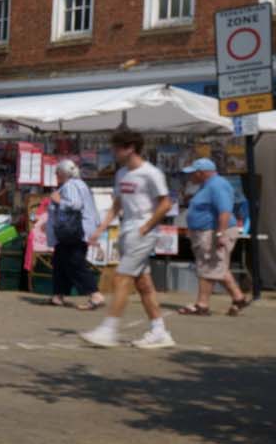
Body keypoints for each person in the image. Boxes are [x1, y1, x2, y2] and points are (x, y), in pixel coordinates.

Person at [81, 128, 174, 349]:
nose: (113, 151)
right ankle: (159, 331)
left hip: (142, 231)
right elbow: (117, 204)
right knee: (144, 284)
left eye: (116, 147)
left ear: (130, 148)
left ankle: (108, 330)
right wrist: (100, 229)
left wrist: (146, 227)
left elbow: (165, 204)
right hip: (128, 230)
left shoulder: (151, 173)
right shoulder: (121, 174)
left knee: (121, 278)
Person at [176, 156, 249, 317]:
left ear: (201, 173)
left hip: (213, 231)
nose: (190, 176)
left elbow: (224, 210)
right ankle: (238, 297)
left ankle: (202, 305)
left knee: (208, 266)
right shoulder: (207, 185)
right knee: (217, 266)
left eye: (193, 173)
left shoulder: (217, 185)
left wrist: (220, 234)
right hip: (206, 231)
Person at [44, 158, 103, 310]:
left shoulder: (70, 185)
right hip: (75, 231)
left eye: (57, 173)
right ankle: (58, 295)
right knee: (60, 261)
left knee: (75, 262)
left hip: (74, 231)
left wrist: (58, 201)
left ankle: (94, 294)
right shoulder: (79, 184)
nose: (56, 176)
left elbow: (75, 204)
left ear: (63, 173)